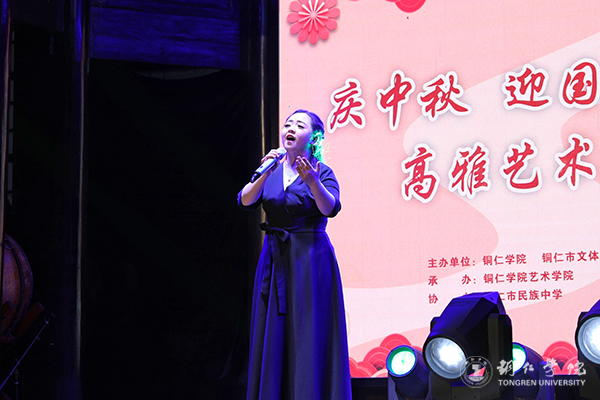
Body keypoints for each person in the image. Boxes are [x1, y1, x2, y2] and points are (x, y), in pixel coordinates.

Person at [238, 109, 352, 400]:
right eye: (288, 124)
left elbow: (330, 208)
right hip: (275, 258)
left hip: (310, 259)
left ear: (314, 138)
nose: (290, 128)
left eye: (299, 125)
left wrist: (313, 181)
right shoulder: (272, 168)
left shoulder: (321, 171)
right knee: (274, 332)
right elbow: (246, 199)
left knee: (307, 330)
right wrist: (265, 171)